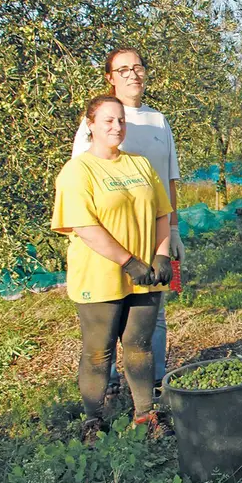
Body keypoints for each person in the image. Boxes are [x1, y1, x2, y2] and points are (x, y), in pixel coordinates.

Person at [53, 95, 174, 445]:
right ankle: (93, 421)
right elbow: (83, 225)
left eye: (120, 120)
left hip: (144, 275)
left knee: (139, 345)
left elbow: (161, 212)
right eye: (107, 120)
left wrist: (161, 254)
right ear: (89, 124)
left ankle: (145, 414)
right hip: (100, 274)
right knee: (98, 349)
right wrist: (128, 261)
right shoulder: (78, 170)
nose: (115, 127)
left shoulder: (138, 164)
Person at [72, 47, 182, 400]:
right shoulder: (96, 122)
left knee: (154, 314)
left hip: (156, 234)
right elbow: (83, 185)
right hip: (112, 239)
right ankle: (115, 383)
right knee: (111, 314)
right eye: (123, 69)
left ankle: (154, 386)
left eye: (138, 67)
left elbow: (170, 179)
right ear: (110, 77)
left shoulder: (157, 120)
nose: (133, 74)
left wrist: (174, 231)